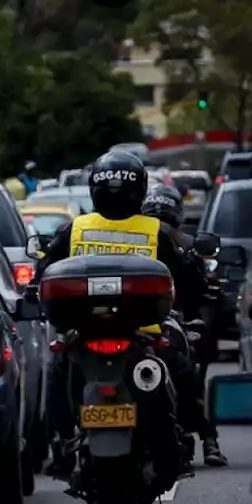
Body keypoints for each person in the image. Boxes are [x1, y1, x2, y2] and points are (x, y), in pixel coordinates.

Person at [30, 150, 208, 475]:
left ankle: (62, 446)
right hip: (146, 335)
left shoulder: (76, 229)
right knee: (181, 375)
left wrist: (35, 291)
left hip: (86, 334)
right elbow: (188, 279)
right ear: (139, 190)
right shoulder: (157, 231)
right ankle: (179, 444)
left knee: (58, 376)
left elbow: (44, 270)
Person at [140, 187, 228, 467]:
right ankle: (208, 439)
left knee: (191, 364)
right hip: (158, 321)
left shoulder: (138, 236)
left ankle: (65, 441)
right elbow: (200, 287)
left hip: (143, 320)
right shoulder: (180, 242)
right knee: (190, 373)